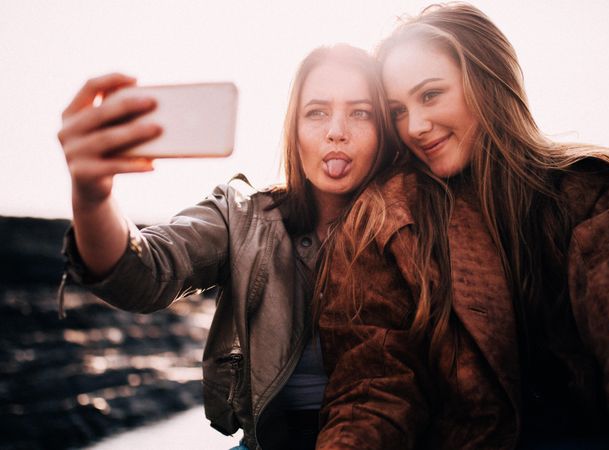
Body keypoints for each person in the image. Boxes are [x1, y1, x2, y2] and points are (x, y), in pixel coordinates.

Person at [316, 3, 609, 449]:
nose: (416, 126)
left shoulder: (601, 192)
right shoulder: (388, 216)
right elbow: (375, 388)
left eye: (430, 95)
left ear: (487, 80)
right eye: (397, 111)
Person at [57, 44, 399, 450]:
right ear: (293, 129)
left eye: (360, 112)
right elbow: (144, 273)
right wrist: (92, 195)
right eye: (317, 112)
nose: (336, 130)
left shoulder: (417, 223)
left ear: (386, 130)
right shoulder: (243, 216)